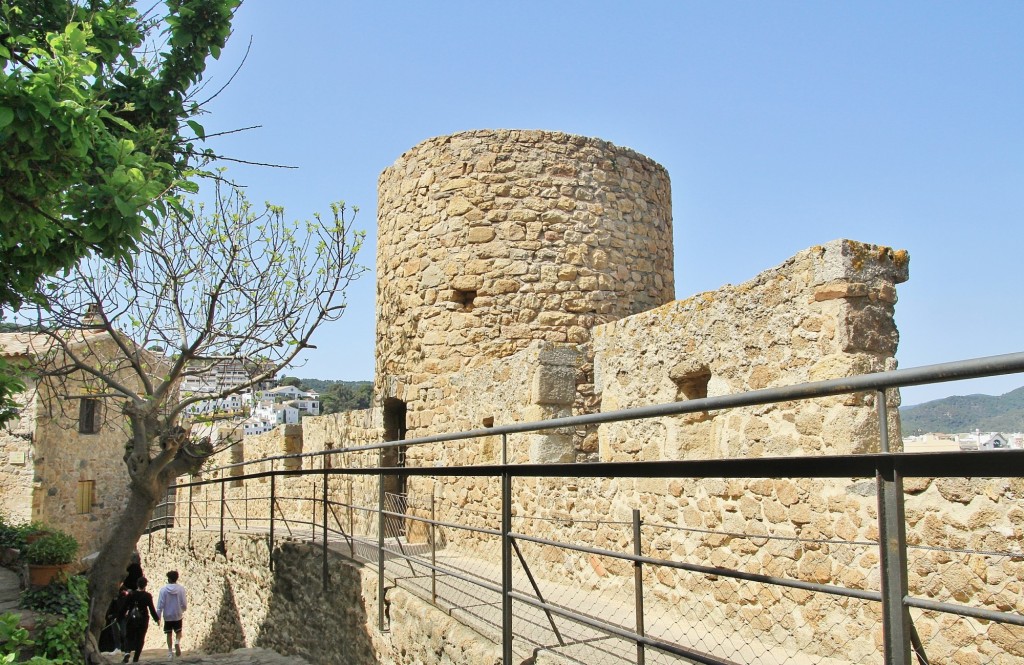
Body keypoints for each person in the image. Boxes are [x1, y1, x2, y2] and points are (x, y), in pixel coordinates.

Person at [119, 577, 158, 663]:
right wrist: (157, 619)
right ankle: (136, 658)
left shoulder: (131, 594)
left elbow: (124, 607)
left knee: (129, 636)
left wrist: (119, 617)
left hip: (131, 619)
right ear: (145, 585)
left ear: (137, 584)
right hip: (143, 619)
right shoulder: (148, 596)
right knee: (140, 638)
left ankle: (127, 652)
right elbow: (152, 609)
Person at [156, 570, 187, 659]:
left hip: (168, 615)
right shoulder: (181, 589)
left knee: (168, 634)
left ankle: (170, 652)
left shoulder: (163, 590)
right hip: (177, 613)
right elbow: (183, 602)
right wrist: (183, 609)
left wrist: (158, 617)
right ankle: (177, 641)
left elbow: (160, 605)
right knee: (178, 631)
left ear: (168, 579)